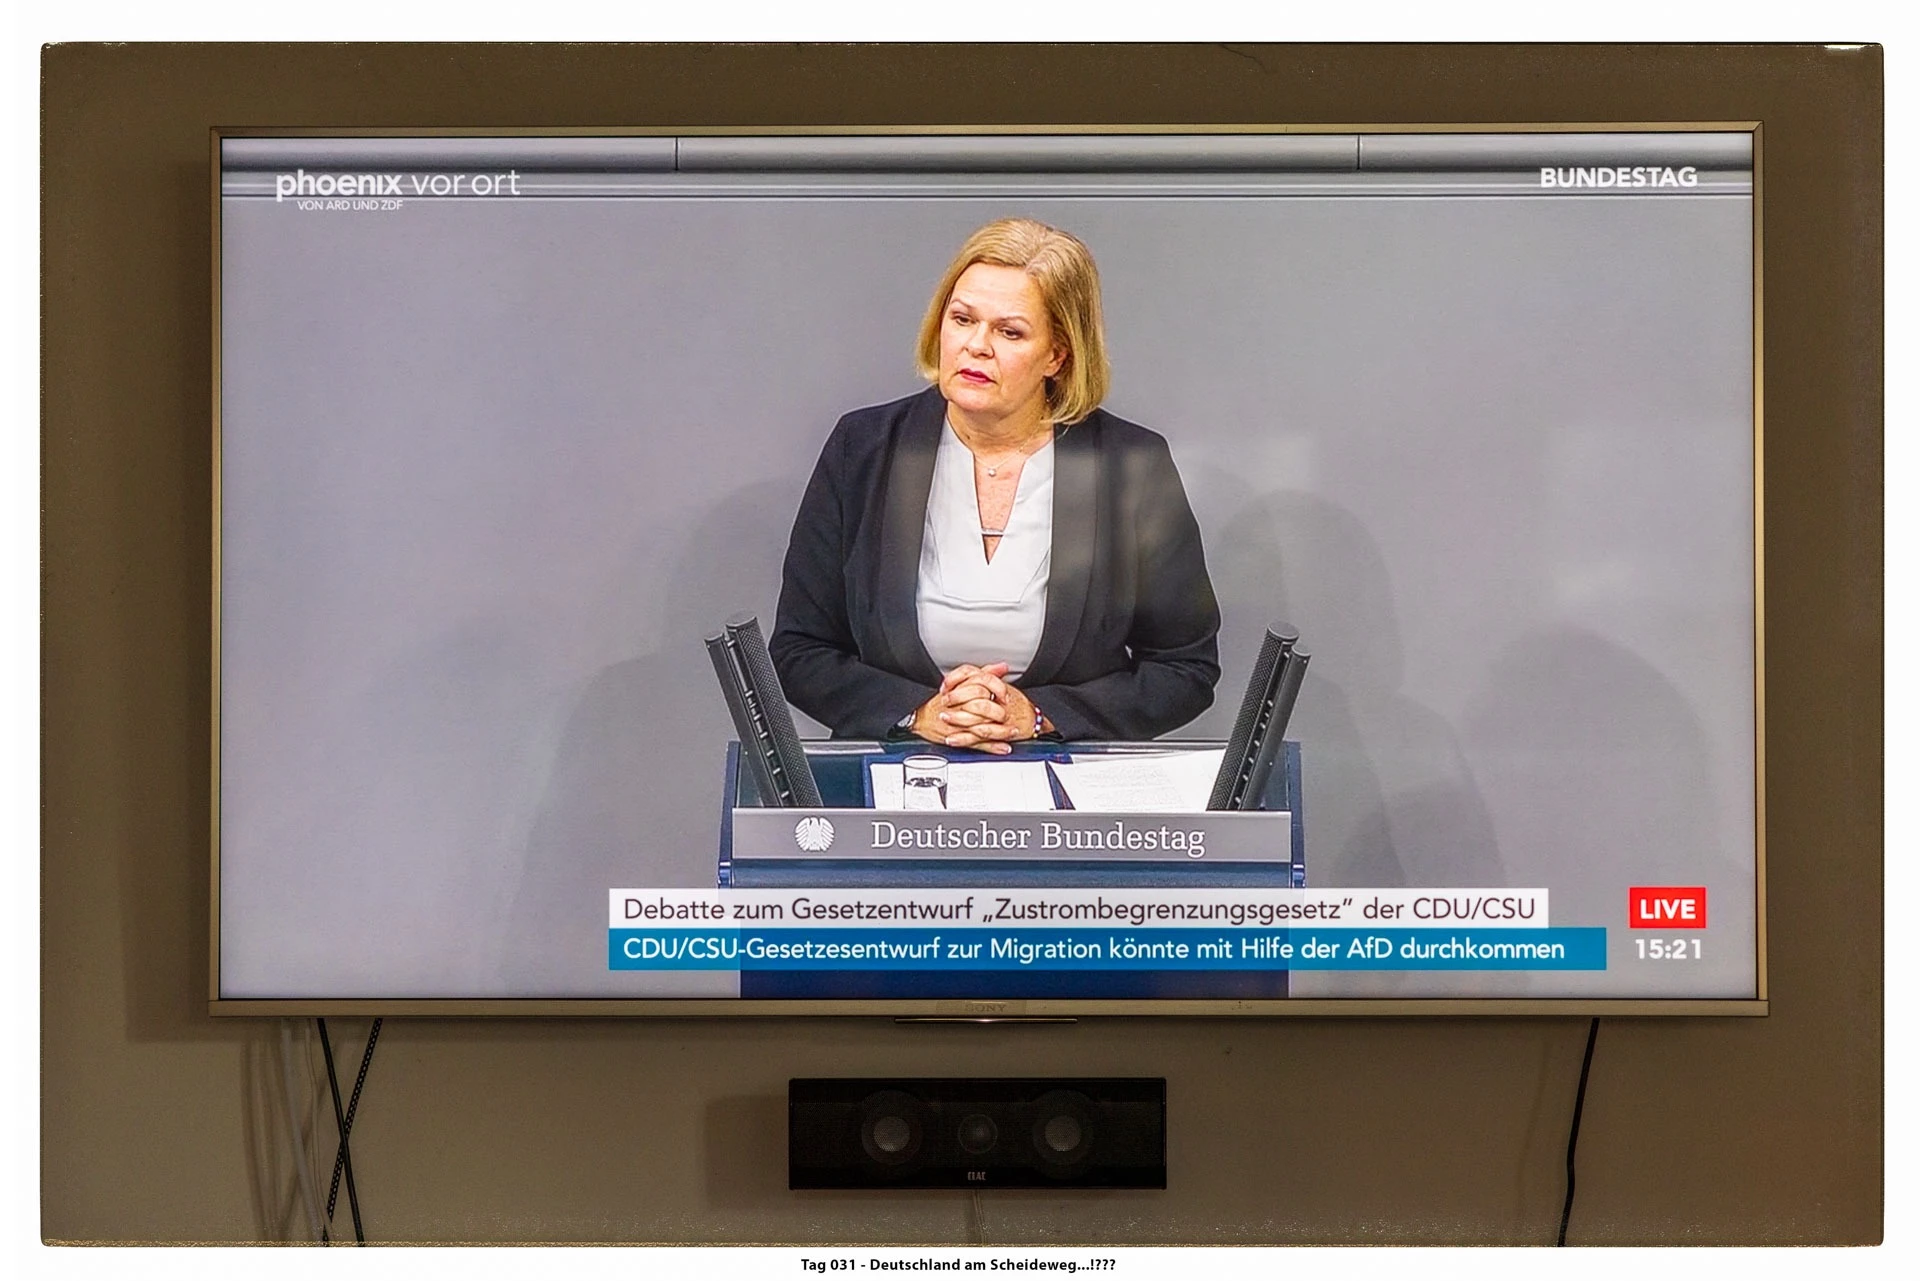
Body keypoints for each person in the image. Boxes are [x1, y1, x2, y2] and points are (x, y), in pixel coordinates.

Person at [769, 217, 1220, 751]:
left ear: (1057, 355)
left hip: (1065, 779)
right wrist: (920, 714)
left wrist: (1040, 716)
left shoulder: (1131, 464)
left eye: (1010, 332)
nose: (976, 346)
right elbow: (801, 649)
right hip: (898, 771)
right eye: (962, 319)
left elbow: (1184, 669)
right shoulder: (864, 448)